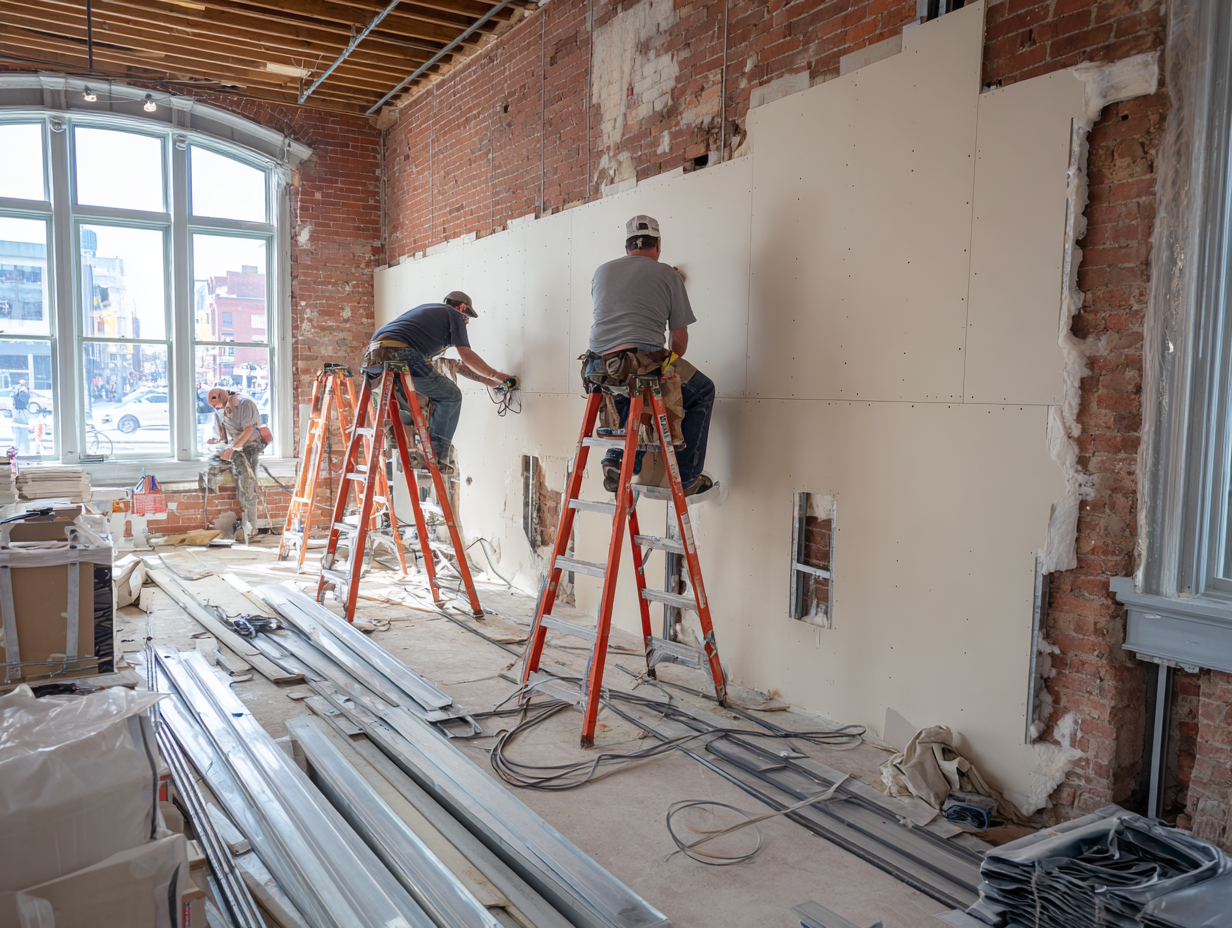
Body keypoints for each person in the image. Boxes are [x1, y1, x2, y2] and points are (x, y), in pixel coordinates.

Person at [586, 215, 716, 496]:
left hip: (596, 366)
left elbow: (622, 301)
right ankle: (687, 476)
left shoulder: (601, 272)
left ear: (627, 247)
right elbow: (679, 340)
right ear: (658, 244)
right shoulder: (669, 276)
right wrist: (669, 363)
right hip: (635, 365)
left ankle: (617, 460)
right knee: (701, 390)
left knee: (628, 388)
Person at [361, 290, 514, 476]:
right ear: (462, 308)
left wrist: (486, 380)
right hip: (399, 353)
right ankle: (437, 454)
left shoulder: (430, 319)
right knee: (452, 395)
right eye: (467, 317)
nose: (466, 322)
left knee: (408, 397)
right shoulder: (454, 315)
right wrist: (499, 376)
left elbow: (456, 364)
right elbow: (466, 355)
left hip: (373, 357)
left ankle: (396, 437)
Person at [206, 387, 268, 543]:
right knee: (241, 488)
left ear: (223, 396)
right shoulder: (222, 410)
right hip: (236, 447)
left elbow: (248, 431)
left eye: (216, 403)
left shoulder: (245, 404)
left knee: (248, 486)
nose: (215, 408)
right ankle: (245, 525)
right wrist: (218, 441)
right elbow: (225, 435)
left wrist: (232, 449)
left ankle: (251, 529)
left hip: (249, 447)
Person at [11, 379, 30, 456]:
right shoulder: (22, 390)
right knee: (21, 433)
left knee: (20, 433)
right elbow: (25, 400)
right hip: (20, 413)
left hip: (19, 413)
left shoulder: (18, 390)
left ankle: (23, 449)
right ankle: (24, 449)